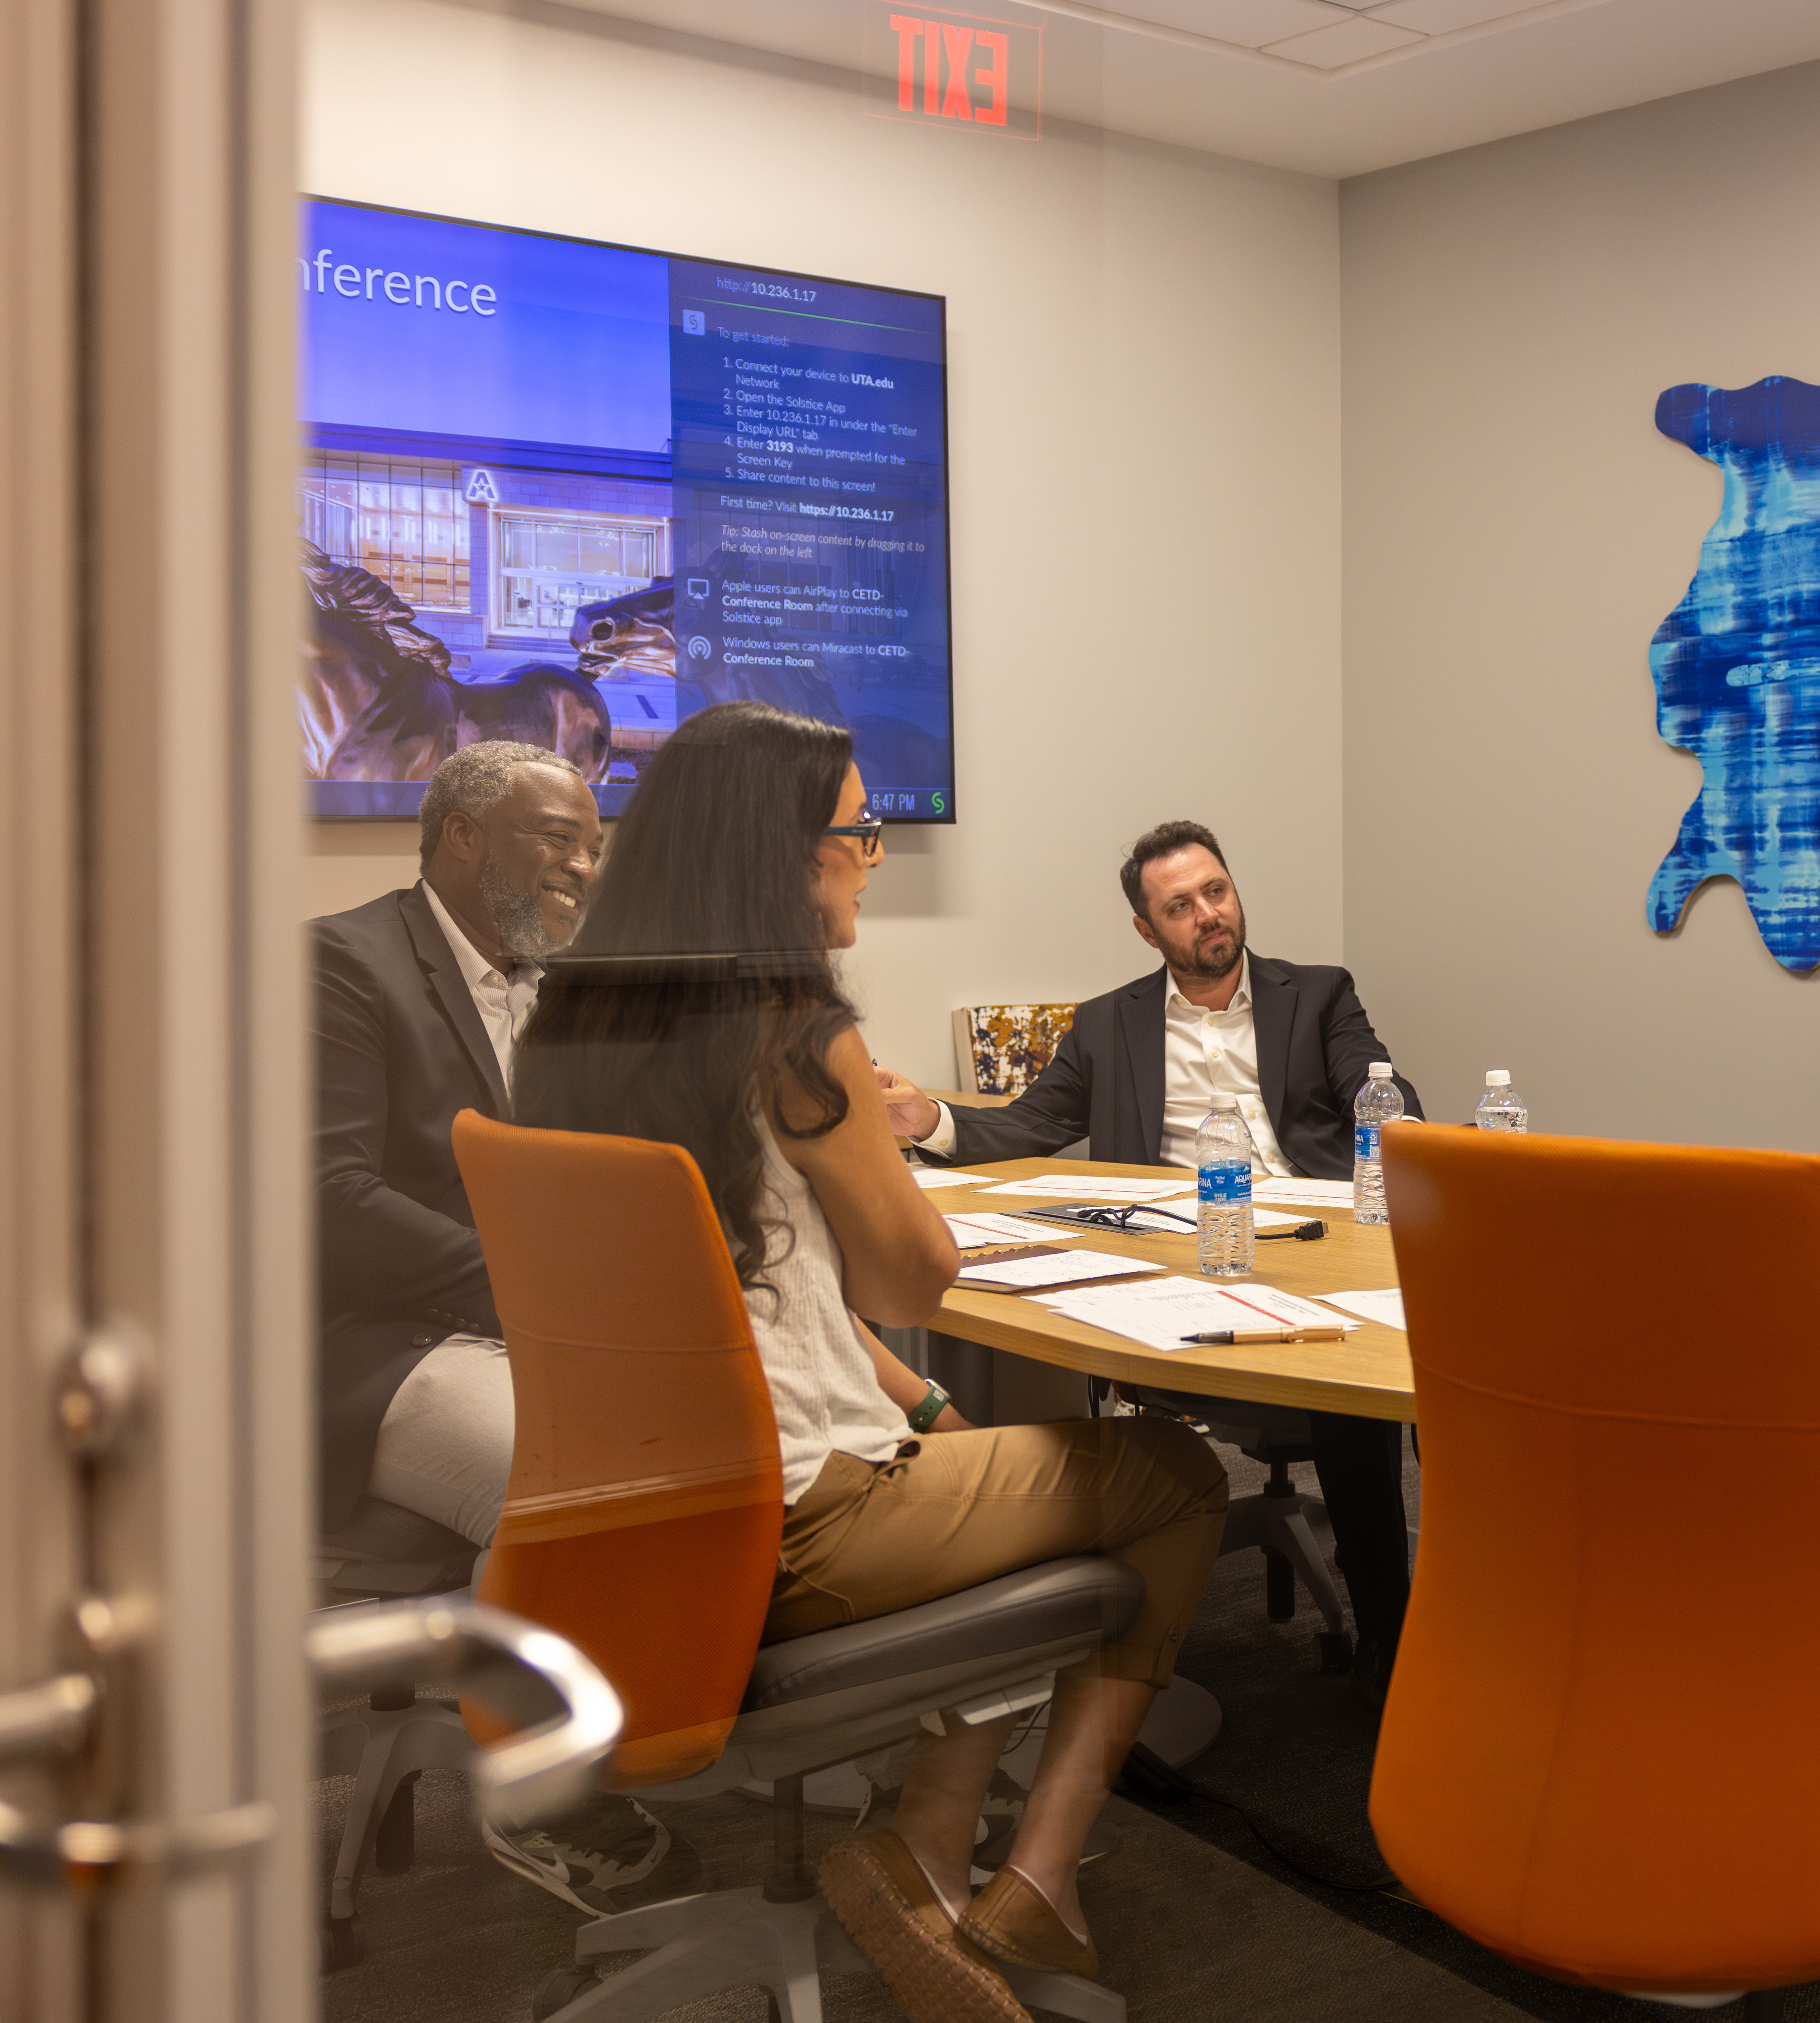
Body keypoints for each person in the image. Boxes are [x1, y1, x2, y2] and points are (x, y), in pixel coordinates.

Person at [514, 703, 1228, 2023]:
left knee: (990, 1453)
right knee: (1175, 1474)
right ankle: (1023, 1871)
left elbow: (751, 1294)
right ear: (783, 851)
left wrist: (928, 1399)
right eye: (860, 831)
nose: (875, 858)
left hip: (629, 1532)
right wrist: (889, 1167)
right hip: (794, 1529)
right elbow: (910, 1277)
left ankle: (926, 1858)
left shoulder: (567, 1030)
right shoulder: (793, 1026)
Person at [896, 820, 1423, 1709]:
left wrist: (1399, 1118)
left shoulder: (1319, 993)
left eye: (1215, 891)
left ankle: (1399, 1631)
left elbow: (1378, 1087)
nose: (1209, 914)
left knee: (1380, 1373)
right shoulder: (1109, 1023)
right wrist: (928, 1120)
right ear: (1148, 930)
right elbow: (1029, 1125)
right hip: (1186, 1256)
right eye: (1180, 906)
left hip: (1323, 1242)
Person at [314, 739, 600, 1547]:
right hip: (386, 1343)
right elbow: (330, 1197)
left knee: (732, 1454)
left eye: (594, 849)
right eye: (557, 837)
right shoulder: (341, 962)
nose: (582, 866)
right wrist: (539, 1291)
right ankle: (518, 1679)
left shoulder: (565, 991)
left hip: (547, 1330)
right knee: (591, 1495)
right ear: (463, 835)